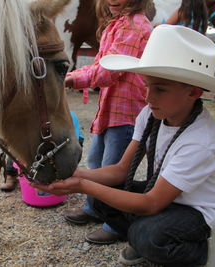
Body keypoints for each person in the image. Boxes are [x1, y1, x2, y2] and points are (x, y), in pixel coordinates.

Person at [34, 25, 215, 266]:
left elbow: (152, 203)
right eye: (147, 85)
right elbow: (120, 171)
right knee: (99, 200)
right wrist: (74, 175)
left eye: (160, 88)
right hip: (166, 198)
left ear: (194, 91)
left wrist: (82, 185)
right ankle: (152, 233)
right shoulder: (150, 114)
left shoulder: (201, 141)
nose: (148, 97)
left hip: (197, 213)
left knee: (147, 235)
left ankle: (197, 251)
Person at [63, 0, 152, 244]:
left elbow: (110, 70)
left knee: (114, 169)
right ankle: (94, 208)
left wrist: (73, 79)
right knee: (96, 162)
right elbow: (99, 63)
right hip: (110, 109)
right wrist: (75, 74)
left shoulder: (135, 26)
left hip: (127, 112)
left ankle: (114, 222)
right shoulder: (117, 24)